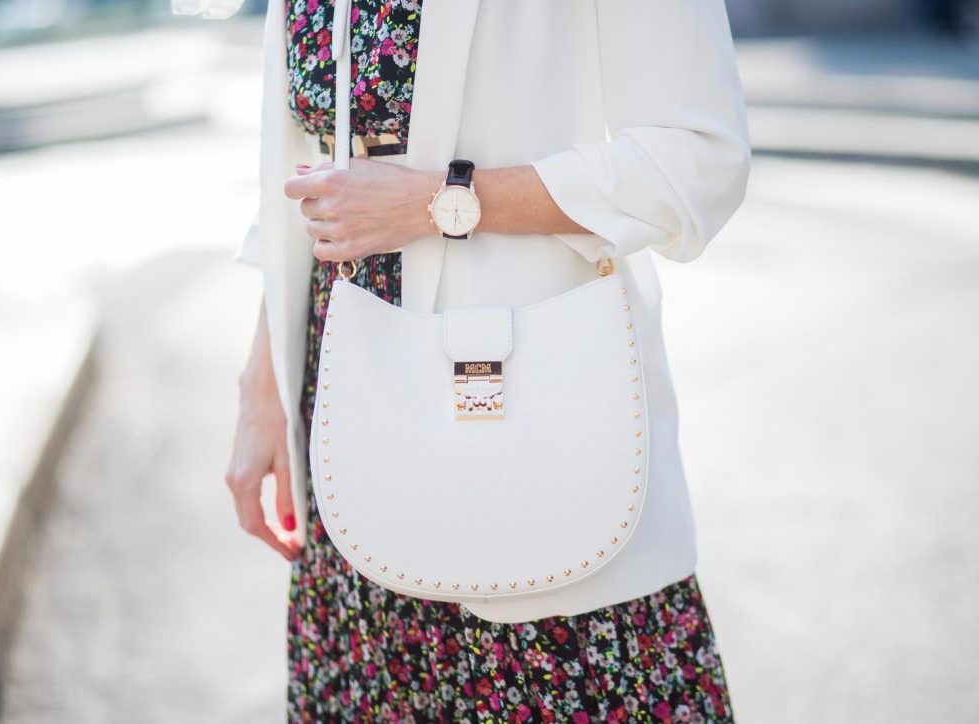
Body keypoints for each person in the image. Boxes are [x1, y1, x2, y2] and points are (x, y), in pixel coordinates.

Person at [223, 0, 751, 720]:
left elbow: (697, 160)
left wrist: (446, 201)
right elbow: (307, 164)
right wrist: (265, 384)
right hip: (347, 416)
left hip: (525, 423)